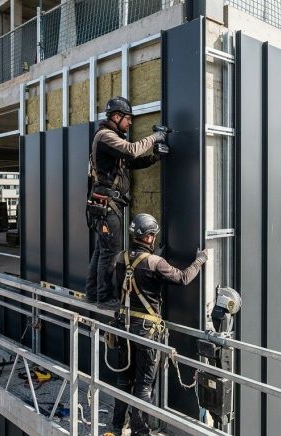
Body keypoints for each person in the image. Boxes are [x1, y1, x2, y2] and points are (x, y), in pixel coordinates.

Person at [110, 213, 207, 435]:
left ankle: (117, 425)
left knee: (124, 377)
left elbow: (124, 283)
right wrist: (199, 260)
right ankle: (140, 431)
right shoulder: (155, 263)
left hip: (123, 326)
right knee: (144, 383)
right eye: (153, 236)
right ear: (148, 237)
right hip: (145, 330)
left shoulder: (120, 258)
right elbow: (182, 277)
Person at [86, 96, 170, 309]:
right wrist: (156, 137)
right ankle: (104, 298)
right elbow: (132, 150)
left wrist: (156, 157)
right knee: (110, 253)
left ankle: (93, 293)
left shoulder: (112, 139)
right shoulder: (106, 136)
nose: (130, 122)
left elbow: (131, 162)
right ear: (116, 116)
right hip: (107, 206)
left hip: (105, 205)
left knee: (101, 251)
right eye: (128, 118)